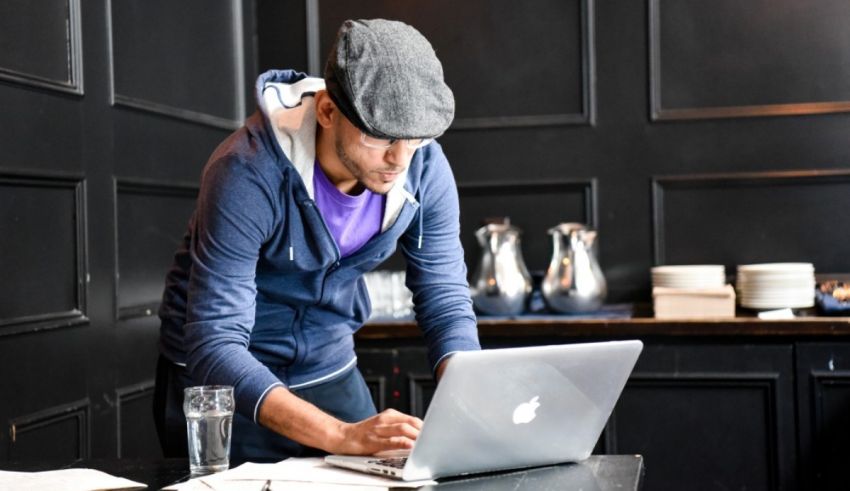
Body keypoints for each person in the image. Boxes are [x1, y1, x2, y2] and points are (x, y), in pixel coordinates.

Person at [153, 18, 481, 462]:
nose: (399, 160)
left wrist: (474, 403)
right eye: (380, 135)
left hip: (328, 366)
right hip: (224, 385)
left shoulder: (422, 166)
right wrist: (342, 436)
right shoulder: (246, 172)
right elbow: (216, 343)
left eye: (416, 138)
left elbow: (444, 298)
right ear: (327, 111)